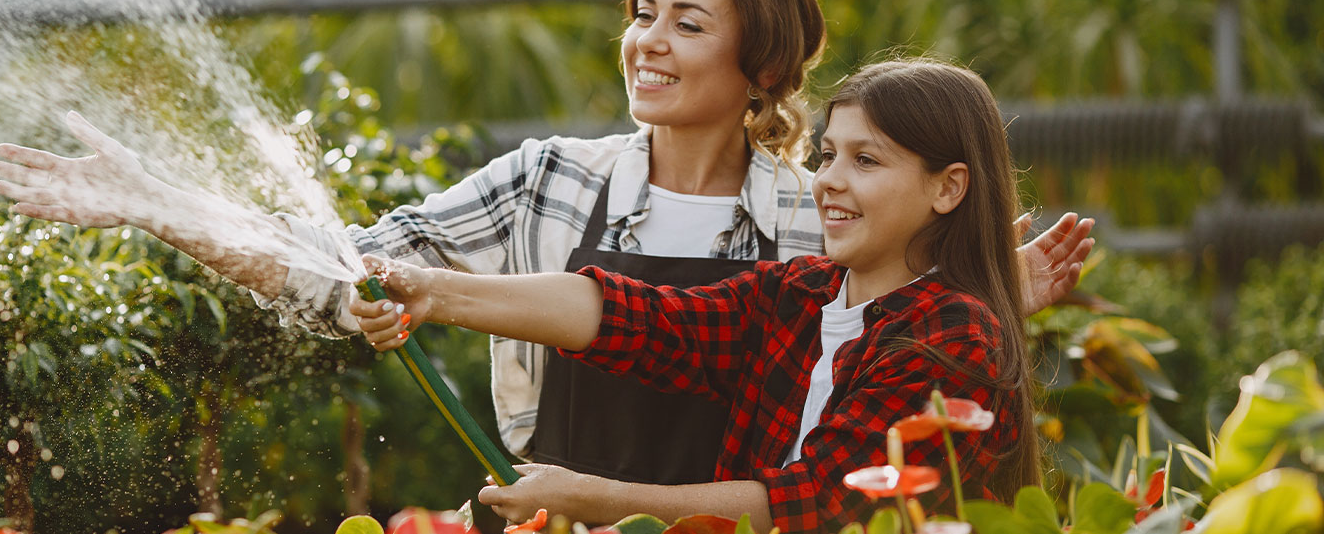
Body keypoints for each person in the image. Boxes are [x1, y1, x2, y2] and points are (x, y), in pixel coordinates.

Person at [0, 0, 1092, 489]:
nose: (648, 43)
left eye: (687, 24)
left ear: (761, 61)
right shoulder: (550, 179)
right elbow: (340, 267)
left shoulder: (817, 221)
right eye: (642, 12)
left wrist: (1003, 298)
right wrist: (157, 204)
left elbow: (897, 355)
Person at [348, 58, 1038, 531]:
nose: (829, 179)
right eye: (828, 154)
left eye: (866, 160)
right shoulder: (800, 295)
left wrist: (593, 498)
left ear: (948, 187)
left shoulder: (954, 331)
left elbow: (813, 503)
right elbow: (635, 316)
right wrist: (434, 291)